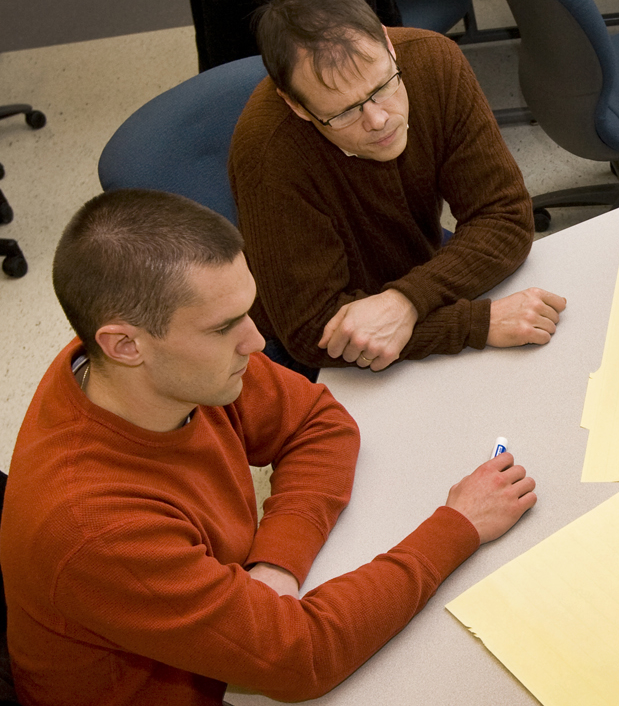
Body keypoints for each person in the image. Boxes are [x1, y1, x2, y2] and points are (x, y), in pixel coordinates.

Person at [0, 190, 538, 705]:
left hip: (222, 647)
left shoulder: (147, 369)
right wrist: (457, 525)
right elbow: (302, 658)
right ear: (124, 344)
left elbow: (318, 422)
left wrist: (277, 562)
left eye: (247, 311)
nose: (256, 342)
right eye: (223, 327)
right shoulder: (94, 526)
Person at [229, 0, 565, 378]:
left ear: (389, 44)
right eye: (343, 112)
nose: (379, 120)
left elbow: (506, 217)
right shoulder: (266, 153)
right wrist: (477, 323)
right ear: (296, 105)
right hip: (322, 347)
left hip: (415, 272)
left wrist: (405, 302)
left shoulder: (434, 61)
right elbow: (310, 331)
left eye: (384, 86)